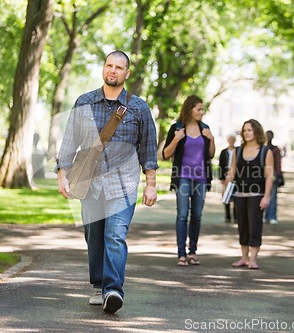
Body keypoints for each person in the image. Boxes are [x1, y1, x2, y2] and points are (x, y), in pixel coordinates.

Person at [55, 50, 158, 313]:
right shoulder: (84, 102)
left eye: (119, 67)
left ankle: (113, 290)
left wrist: (150, 183)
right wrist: (61, 173)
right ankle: (99, 286)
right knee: (94, 236)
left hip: (123, 185)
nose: (113, 71)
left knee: (115, 235)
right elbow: (70, 140)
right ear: (104, 68)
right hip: (90, 183)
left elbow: (148, 148)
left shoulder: (138, 108)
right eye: (109, 65)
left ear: (127, 73)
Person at [162, 95, 215, 267]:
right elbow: (165, 154)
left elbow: (211, 154)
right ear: (189, 109)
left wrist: (211, 139)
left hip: (201, 178)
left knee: (197, 216)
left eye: (202, 109)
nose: (202, 112)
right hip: (183, 177)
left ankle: (192, 252)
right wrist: (177, 138)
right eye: (199, 109)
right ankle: (181, 254)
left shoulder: (205, 129)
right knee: (183, 215)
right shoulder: (177, 128)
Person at [224, 119, 273, 270]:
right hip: (239, 194)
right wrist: (226, 184)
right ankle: (244, 258)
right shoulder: (237, 151)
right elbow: (232, 172)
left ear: (257, 132)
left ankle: (253, 259)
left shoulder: (265, 151)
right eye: (245, 130)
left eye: (250, 130)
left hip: (256, 195)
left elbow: (269, 176)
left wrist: (266, 196)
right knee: (242, 227)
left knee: (255, 227)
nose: (246, 133)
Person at [264, 130, 283, 225]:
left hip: (273, 175)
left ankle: (272, 216)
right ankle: (265, 216)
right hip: (263, 175)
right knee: (264, 196)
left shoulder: (275, 149)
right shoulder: (263, 148)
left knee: (273, 197)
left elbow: (278, 163)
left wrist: (279, 175)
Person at [219, 134, 237, 223]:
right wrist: (221, 177)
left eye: (233, 140)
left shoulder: (237, 150)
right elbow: (221, 165)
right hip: (226, 174)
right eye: (230, 140)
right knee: (226, 196)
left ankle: (236, 216)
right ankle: (227, 216)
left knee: (235, 196)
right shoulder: (223, 152)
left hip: (236, 175)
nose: (231, 142)